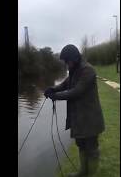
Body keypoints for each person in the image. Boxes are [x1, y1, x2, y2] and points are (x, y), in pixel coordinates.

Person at [44, 44, 105, 177]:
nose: (66, 64)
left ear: (75, 58)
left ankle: (91, 174)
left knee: (91, 148)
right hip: (78, 117)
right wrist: (52, 89)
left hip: (90, 118)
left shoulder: (87, 70)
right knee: (81, 144)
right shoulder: (74, 70)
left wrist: (56, 97)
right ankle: (83, 172)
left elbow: (76, 91)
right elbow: (65, 84)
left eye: (67, 60)